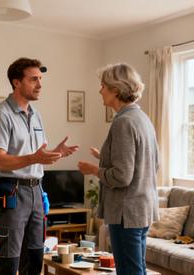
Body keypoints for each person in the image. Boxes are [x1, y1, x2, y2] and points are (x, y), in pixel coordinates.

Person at [0, 57, 80, 275]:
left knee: (35, 257)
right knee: (8, 260)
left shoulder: (36, 115)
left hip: (37, 191)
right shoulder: (0, 115)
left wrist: (56, 153)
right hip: (11, 191)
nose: (39, 85)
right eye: (33, 79)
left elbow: (38, 155)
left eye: (40, 79)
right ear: (16, 82)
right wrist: (35, 158)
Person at [77, 63, 159, 275]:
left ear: (115, 89)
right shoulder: (142, 118)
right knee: (136, 269)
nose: (100, 90)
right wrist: (104, 157)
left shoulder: (123, 122)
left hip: (126, 213)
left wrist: (94, 170)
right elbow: (148, 162)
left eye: (103, 85)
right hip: (141, 209)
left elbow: (122, 177)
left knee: (129, 272)